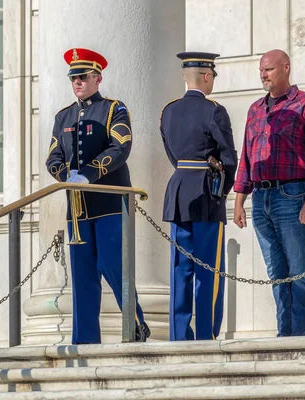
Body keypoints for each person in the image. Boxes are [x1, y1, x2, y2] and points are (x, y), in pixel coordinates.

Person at [46, 47, 150, 344]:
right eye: (73, 78)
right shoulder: (63, 115)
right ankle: (85, 339)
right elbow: (53, 155)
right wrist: (63, 174)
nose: (77, 82)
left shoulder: (114, 109)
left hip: (109, 202)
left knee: (112, 264)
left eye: (82, 77)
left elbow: (120, 148)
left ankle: (135, 323)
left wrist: (89, 174)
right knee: (83, 275)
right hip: (77, 207)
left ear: (97, 78)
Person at [233, 49, 305, 337]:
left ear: (286, 68)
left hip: (292, 195)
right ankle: (284, 336)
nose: (263, 75)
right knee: (277, 272)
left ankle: (300, 338)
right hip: (260, 199)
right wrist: (239, 200)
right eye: (261, 70)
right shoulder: (255, 109)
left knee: (299, 270)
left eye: (269, 70)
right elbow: (247, 158)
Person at [160, 52, 237, 341]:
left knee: (181, 269)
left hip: (179, 190)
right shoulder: (214, 110)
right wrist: (223, 189)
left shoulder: (168, 111)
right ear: (207, 76)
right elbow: (229, 158)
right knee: (209, 270)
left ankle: (179, 335)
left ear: (184, 76)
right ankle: (206, 334)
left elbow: (172, 154)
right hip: (206, 194)